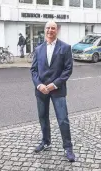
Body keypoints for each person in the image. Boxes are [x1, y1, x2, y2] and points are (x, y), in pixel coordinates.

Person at [30, 20, 75, 162]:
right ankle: (46, 142)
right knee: (43, 117)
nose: (50, 30)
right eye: (48, 28)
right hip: (41, 90)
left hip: (57, 90)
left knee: (63, 119)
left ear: (57, 30)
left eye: (53, 28)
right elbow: (33, 70)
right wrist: (39, 85)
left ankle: (68, 148)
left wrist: (54, 84)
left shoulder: (65, 48)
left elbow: (68, 70)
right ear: (45, 30)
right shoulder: (38, 49)